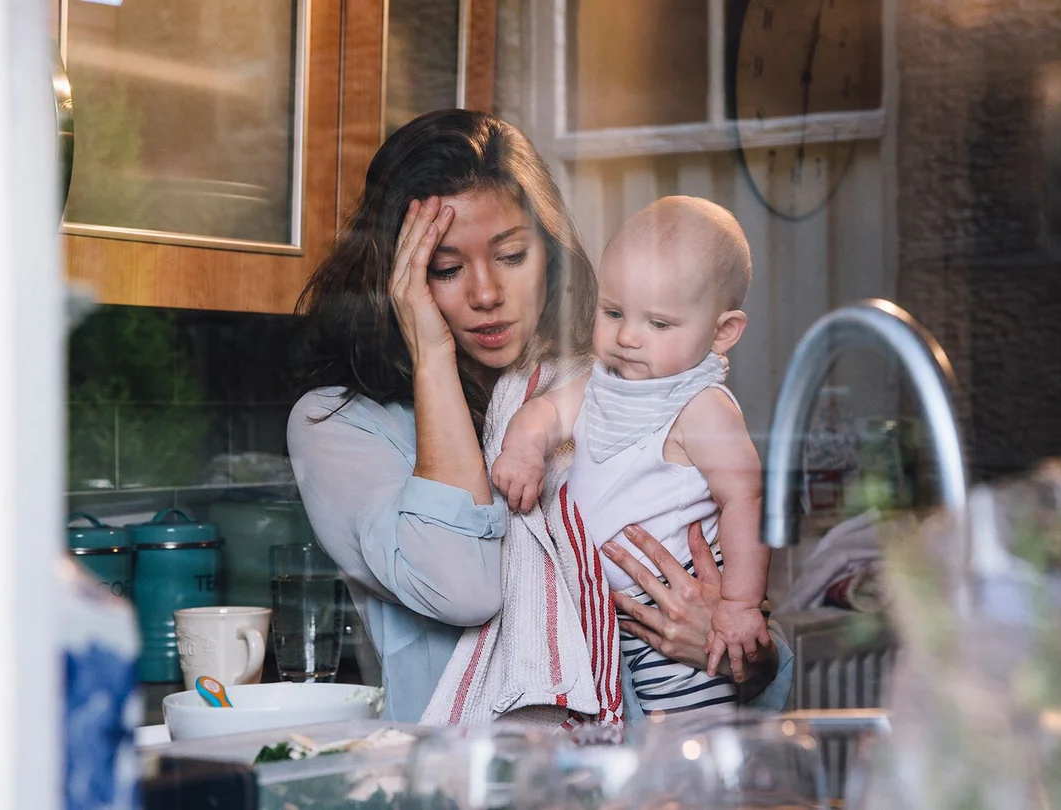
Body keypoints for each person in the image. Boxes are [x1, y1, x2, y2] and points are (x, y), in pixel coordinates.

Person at [286, 109, 791, 727]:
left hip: (639, 758)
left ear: (549, 256)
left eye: (512, 255)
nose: (486, 294)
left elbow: (753, 642)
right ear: (397, 278)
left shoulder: (611, 387)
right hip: (462, 770)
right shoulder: (339, 426)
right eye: (445, 269)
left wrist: (740, 652)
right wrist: (432, 354)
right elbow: (462, 587)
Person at [491, 196, 770, 716]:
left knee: (687, 739)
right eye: (613, 312)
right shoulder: (601, 384)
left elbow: (747, 500)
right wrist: (524, 448)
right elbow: (545, 412)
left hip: (675, 613)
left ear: (722, 332)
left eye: (658, 324)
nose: (626, 337)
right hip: (608, 619)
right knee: (621, 739)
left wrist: (738, 604)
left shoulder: (700, 406)